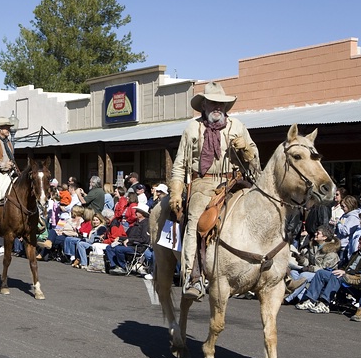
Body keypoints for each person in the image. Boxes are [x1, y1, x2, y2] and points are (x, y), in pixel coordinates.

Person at [168, 81, 259, 299]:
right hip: (203, 183)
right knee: (196, 221)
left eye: (221, 103)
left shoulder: (238, 126)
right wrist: (175, 192)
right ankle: (193, 277)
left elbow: (255, 161)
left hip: (235, 182)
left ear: (226, 107)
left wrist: (245, 150)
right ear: (204, 105)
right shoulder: (192, 128)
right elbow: (180, 164)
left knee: (261, 213)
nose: (217, 106)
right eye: (212, 103)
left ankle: (276, 271)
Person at [295, 231, 361, 314]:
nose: (358, 241)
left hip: (355, 279)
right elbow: (346, 266)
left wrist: (346, 272)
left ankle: (325, 303)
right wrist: (340, 269)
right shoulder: (356, 253)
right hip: (345, 275)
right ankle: (311, 300)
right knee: (321, 273)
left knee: (337, 276)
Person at [105, 203, 151, 275]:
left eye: (137, 211)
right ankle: (115, 266)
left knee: (119, 249)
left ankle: (123, 267)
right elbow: (128, 236)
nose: (135, 212)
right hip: (130, 244)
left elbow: (144, 239)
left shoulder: (146, 224)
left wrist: (130, 240)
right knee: (109, 247)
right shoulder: (135, 223)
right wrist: (120, 238)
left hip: (138, 247)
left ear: (142, 213)